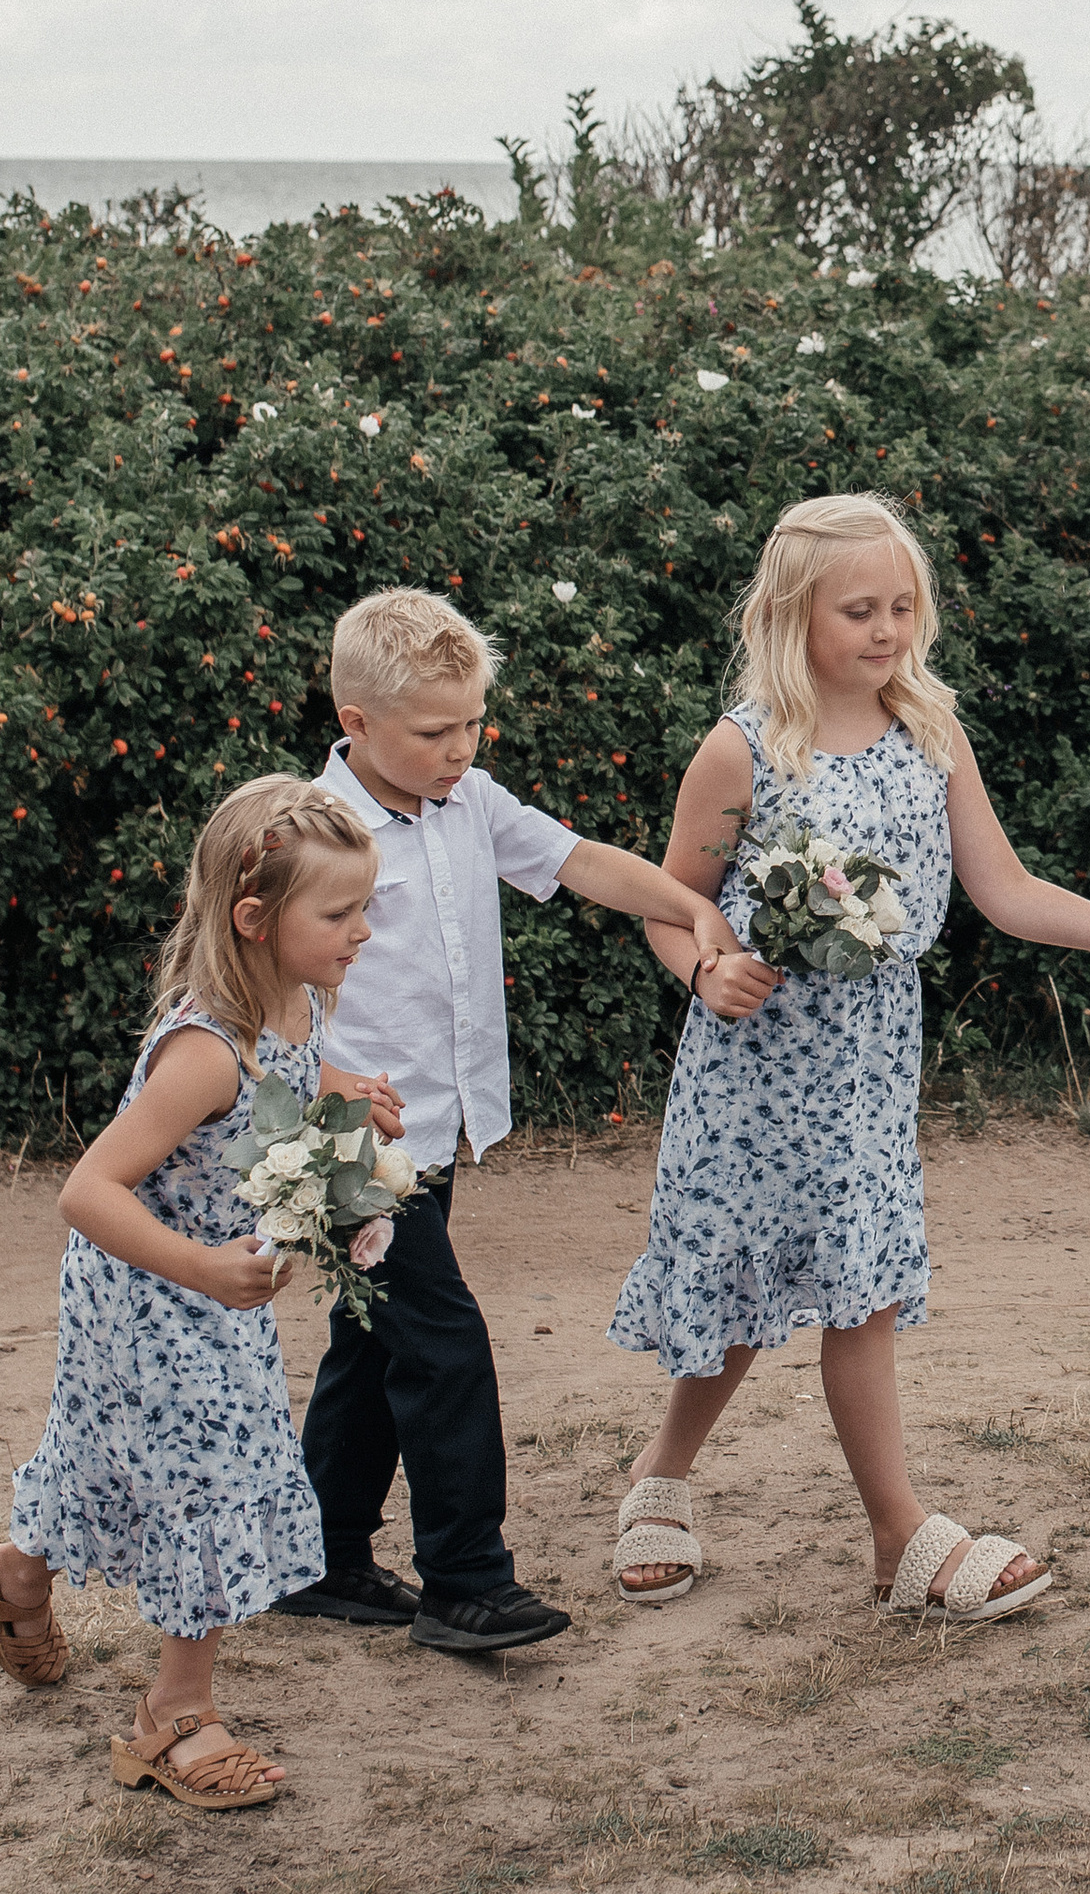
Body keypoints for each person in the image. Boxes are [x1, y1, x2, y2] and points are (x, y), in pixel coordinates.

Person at [608, 493, 1090, 1621]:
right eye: (859, 610)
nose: (886, 631)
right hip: (754, 1065)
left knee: (857, 1289)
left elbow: (1004, 889)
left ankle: (897, 1534)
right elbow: (667, 900)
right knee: (737, 1284)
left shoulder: (932, 730)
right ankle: (660, 1478)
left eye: (903, 606)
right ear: (792, 615)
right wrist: (702, 965)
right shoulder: (738, 750)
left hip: (869, 1062)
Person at [282, 588, 747, 1654]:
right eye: (434, 730)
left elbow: (578, 859)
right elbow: (252, 977)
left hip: (433, 1129)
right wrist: (328, 1067)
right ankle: (466, 1581)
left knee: (372, 1337)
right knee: (440, 1341)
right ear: (355, 722)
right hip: (346, 1136)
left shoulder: (471, 802)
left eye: (472, 723)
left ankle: (319, 1555)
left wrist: (684, 904)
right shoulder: (308, 831)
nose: (460, 747)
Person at [3, 778, 405, 1806]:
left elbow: (290, 1068)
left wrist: (340, 1092)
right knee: (210, 1483)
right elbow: (85, 1190)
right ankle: (172, 1716)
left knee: (101, 1444)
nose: (362, 931)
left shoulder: (296, 998)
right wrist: (203, 1269)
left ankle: (15, 1573)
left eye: (365, 907)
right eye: (339, 913)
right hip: (156, 1295)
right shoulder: (199, 1052)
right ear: (255, 920)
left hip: (208, 1293)